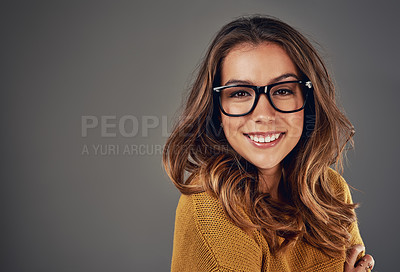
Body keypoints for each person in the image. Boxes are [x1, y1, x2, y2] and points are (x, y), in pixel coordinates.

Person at [163, 15, 375, 272]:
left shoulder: (330, 189)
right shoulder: (210, 207)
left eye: (283, 90)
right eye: (240, 93)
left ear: (307, 101)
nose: (263, 114)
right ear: (216, 110)